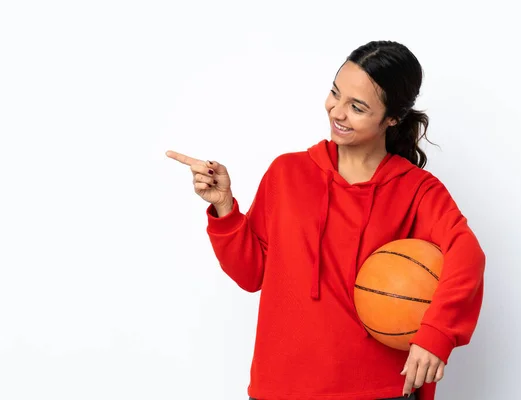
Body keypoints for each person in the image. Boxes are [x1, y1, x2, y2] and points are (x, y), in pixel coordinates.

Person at [166, 40, 485, 400]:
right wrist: (225, 207)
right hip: (280, 387)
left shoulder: (416, 190)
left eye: (358, 107)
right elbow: (251, 274)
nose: (337, 111)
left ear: (392, 118)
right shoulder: (287, 172)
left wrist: (437, 335)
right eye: (335, 93)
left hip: (380, 390)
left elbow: (467, 256)